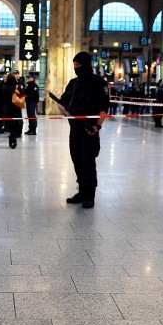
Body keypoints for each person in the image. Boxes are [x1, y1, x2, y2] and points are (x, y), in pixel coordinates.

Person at [59, 51, 110, 208]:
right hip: (75, 129)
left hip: (90, 129)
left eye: (78, 65)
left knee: (88, 161)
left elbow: (103, 108)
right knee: (77, 160)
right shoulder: (73, 83)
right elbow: (61, 102)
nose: (75, 67)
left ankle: (90, 194)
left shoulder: (99, 83)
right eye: (74, 64)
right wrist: (68, 114)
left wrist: (97, 126)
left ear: (86, 65)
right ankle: (81, 191)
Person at [3, 70, 23, 149]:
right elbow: (22, 95)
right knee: (15, 124)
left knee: (10, 125)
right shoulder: (17, 87)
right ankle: (13, 140)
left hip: (8, 108)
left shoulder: (4, 87)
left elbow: (2, 98)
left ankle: (11, 140)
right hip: (16, 107)